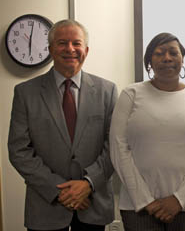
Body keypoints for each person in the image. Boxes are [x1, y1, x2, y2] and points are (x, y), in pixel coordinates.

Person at [8, 19, 117, 231]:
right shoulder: (25, 93)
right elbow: (19, 150)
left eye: (76, 43)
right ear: (50, 49)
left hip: (93, 204)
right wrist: (60, 191)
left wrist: (87, 184)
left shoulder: (108, 91)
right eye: (62, 43)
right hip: (45, 206)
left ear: (86, 49)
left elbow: (114, 146)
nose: (70, 49)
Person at [109, 32, 185, 231]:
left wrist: (179, 199)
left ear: (182, 58)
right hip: (139, 207)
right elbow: (118, 148)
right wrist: (145, 200)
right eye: (159, 53)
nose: (167, 58)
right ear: (149, 61)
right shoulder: (131, 95)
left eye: (173, 53)